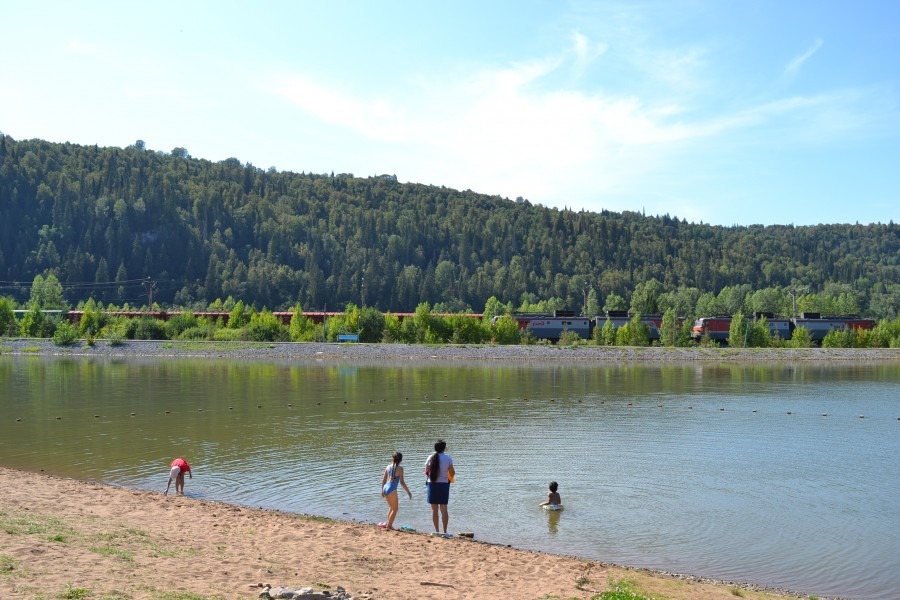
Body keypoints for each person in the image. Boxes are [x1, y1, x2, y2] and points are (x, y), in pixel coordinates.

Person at [424, 439, 455, 536]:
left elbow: (426, 472)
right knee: (444, 510)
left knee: (434, 510)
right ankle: (445, 532)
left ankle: (437, 531)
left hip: (432, 485)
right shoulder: (448, 458)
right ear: (444, 448)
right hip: (443, 485)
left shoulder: (430, 457)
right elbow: (452, 473)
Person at [380, 451, 412, 530]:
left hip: (385, 488)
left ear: (392, 459)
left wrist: (382, 491)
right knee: (395, 509)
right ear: (401, 460)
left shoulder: (388, 467)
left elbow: (383, 480)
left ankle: (389, 525)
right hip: (392, 489)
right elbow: (402, 482)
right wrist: (408, 492)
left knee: (391, 507)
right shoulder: (400, 469)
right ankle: (389, 526)